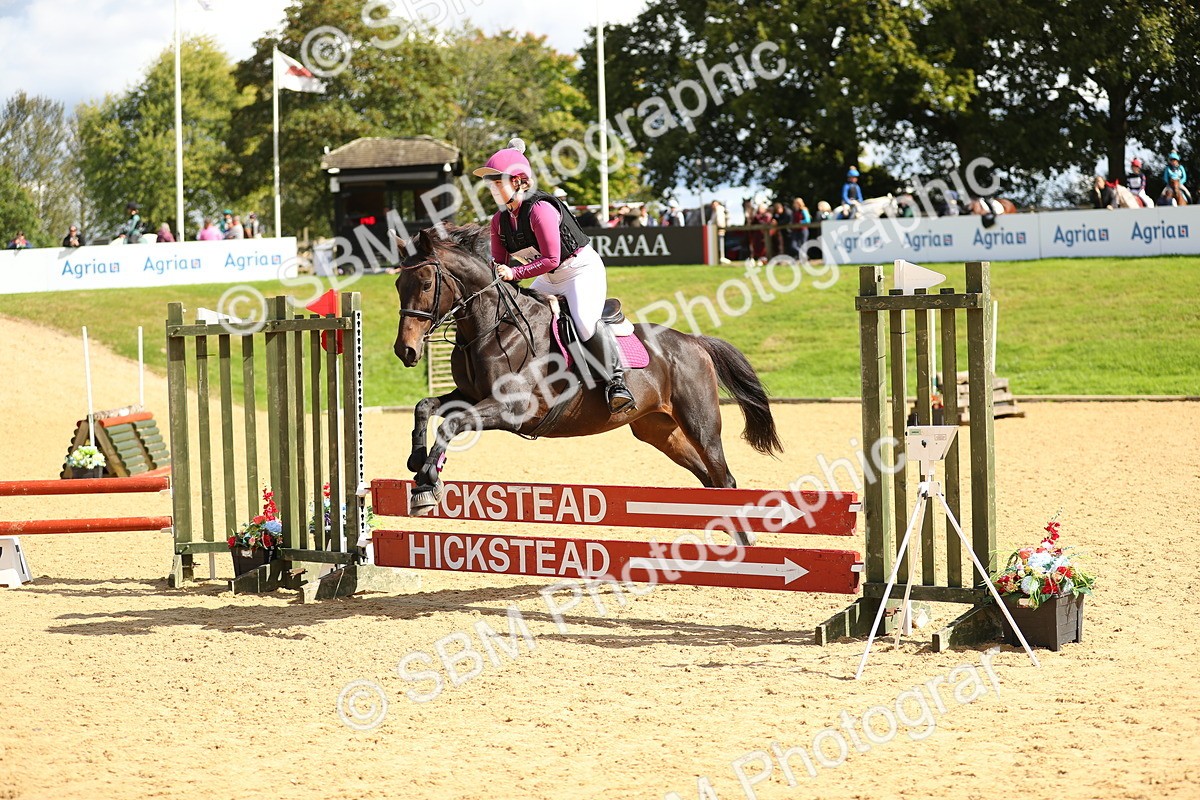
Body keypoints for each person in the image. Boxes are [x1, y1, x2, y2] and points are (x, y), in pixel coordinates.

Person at [474, 137, 634, 414]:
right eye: (491, 184)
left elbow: (551, 259)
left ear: (518, 182)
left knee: (584, 322)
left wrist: (515, 272)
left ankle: (617, 383)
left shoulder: (540, 209)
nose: (493, 189)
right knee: (518, 316)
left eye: (498, 182)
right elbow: (499, 263)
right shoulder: (499, 220)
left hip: (579, 270)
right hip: (548, 277)